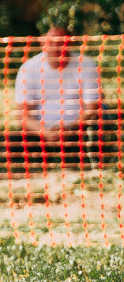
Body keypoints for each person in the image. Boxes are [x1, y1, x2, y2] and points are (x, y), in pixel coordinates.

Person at [7, 24, 101, 174]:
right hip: (41, 132)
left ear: (69, 42)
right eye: (51, 42)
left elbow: (92, 108)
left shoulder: (87, 65)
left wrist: (69, 129)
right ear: (42, 42)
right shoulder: (28, 68)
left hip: (77, 130)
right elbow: (22, 114)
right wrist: (44, 132)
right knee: (12, 142)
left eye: (61, 42)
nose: (57, 48)